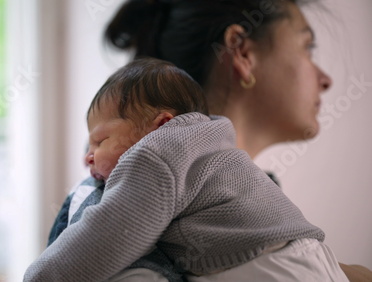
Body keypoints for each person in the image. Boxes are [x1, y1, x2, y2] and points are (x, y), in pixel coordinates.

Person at [48, 0, 372, 280]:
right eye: (307, 47)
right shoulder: (110, 200)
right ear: (242, 52)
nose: (326, 79)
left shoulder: (254, 198)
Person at [24, 58, 349, 282]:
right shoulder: (211, 145)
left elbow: (109, 232)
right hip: (311, 257)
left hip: (264, 266)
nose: (88, 157)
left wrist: (40, 276)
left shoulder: (156, 154)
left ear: (161, 126)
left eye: (100, 140)